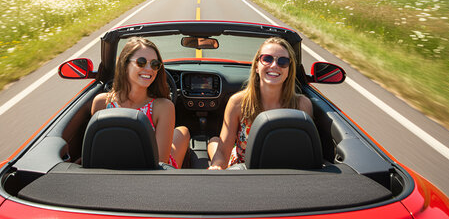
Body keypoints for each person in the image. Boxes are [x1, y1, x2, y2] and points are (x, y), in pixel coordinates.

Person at [207, 37, 313, 169]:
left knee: (214, 141)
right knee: (217, 144)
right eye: (267, 59)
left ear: (289, 70)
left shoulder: (302, 105)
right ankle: (213, 143)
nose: (274, 65)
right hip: (244, 171)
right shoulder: (238, 102)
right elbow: (223, 152)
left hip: (283, 173)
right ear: (257, 65)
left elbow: (303, 153)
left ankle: (213, 142)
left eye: (283, 61)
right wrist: (216, 167)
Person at [91, 37, 190, 168]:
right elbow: (160, 163)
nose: (149, 69)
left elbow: (161, 161)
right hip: (148, 175)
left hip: (118, 171)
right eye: (141, 62)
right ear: (124, 64)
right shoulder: (163, 107)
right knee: (183, 132)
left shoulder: (103, 103)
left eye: (155, 64)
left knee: (182, 132)